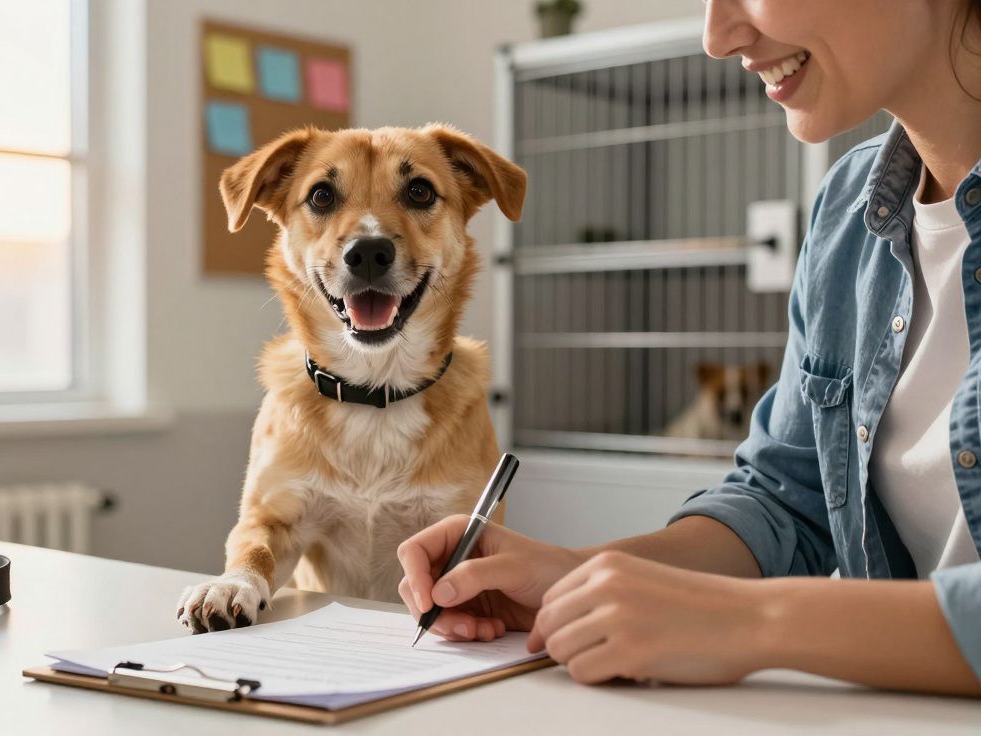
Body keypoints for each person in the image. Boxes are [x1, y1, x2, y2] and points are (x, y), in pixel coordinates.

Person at [397, 0, 981, 696]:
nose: (717, 35)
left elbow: (757, 596)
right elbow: (784, 500)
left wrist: (751, 621)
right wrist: (577, 578)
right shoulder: (848, 212)